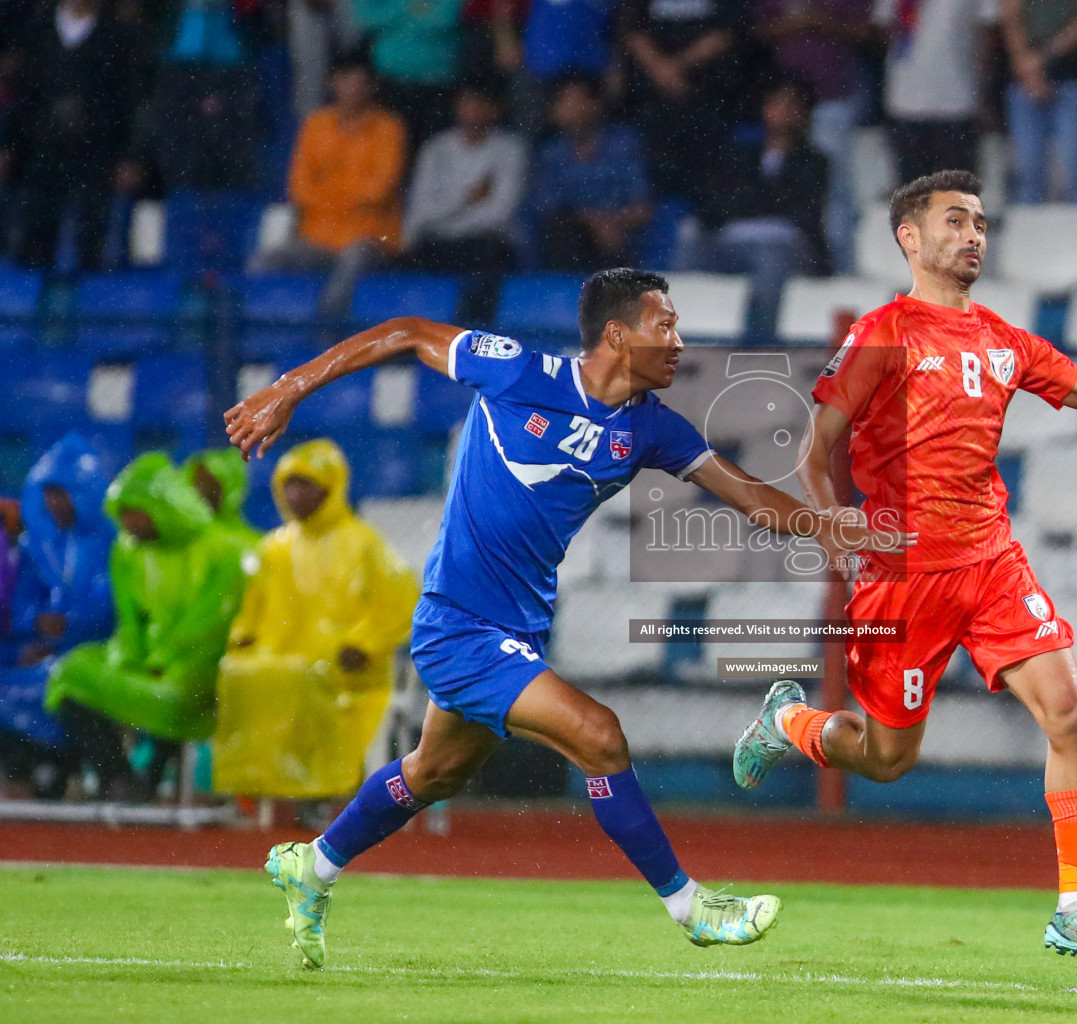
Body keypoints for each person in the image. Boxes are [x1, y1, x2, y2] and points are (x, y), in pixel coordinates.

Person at [224, 267, 910, 970]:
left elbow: (749, 494)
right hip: (458, 625)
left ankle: (314, 867)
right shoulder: (518, 371)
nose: (679, 342)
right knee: (599, 736)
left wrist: (838, 527)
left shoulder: (650, 429)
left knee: (432, 773)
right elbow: (404, 332)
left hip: (515, 630)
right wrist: (287, 389)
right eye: (664, 326)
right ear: (617, 335)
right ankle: (691, 907)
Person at [732, 169, 1077, 962]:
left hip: (991, 560)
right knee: (889, 759)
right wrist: (833, 521)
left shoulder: (1004, 340)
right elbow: (815, 447)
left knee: (1071, 713)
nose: (973, 235)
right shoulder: (884, 333)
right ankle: (788, 722)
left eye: (980, 223)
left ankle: (1074, 907)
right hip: (904, 573)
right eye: (956, 221)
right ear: (911, 237)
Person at [213, 439, 417, 805]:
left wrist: (364, 644)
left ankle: (317, 794)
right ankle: (250, 788)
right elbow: (251, 610)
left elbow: (401, 603)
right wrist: (243, 636)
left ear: (330, 487)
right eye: (288, 484)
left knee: (304, 679)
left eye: (304, 485)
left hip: (346, 670)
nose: (294, 494)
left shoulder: (364, 543)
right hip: (283, 661)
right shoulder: (273, 547)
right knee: (236, 673)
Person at [45, 453, 249, 800]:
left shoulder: (224, 550)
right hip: (150, 664)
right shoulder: (127, 550)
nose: (128, 522)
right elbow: (129, 623)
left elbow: (211, 624)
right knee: (72, 672)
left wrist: (164, 660)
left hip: (200, 668)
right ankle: (117, 778)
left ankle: (151, 778)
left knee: (171, 693)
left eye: (135, 512)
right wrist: (130, 659)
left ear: (163, 506)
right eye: (122, 513)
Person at [250, 52, 406, 318]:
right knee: (264, 261)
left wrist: (328, 193)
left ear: (372, 87)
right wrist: (348, 195)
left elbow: (379, 190)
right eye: (344, 80)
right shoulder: (316, 124)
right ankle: (263, 340)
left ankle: (326, 334)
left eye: (358, 82)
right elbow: (299, 188)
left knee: (353, 258)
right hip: (318, 236)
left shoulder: (389, 128)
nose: (350, 89)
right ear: (334, 82)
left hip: (368, 236)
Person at [0, 436, 114, 798]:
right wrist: (36, 628)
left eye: (61, 493)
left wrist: (69, 630)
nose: (53, 504)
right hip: (41, 652)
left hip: (94, 652)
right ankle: (36, 766)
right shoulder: (40, 546)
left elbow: (111, 611)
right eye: (48, 494)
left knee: (67, 681)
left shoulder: (116, 544)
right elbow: (19, 608)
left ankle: (65, 768)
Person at [673, 77, 830, 339]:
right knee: (688, 245)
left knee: (769, 260)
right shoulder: (740, 157)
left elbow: (798, 215)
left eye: (791, 105)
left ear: (804, 115)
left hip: (788, 247)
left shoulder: (814, 162)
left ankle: (758, 349)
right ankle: (679, 343)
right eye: (776, 103)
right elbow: (719, 203)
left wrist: (754, 208)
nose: (782, 111)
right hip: (736, 241)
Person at [1, 0, 139, 272]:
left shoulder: (117, 38)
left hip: (95, 150)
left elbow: (126, 103)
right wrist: (6, 144)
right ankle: (35, 304)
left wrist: (130, 155)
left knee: (92, 235)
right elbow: (21, 97)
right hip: (40, 149)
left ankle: (90, 304)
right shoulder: (37, 31)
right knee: (35, 235)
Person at [755, 0, 879, 271]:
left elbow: (870, 30)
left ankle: (838, 265)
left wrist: (822, 21)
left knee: (835, 188)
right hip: (786, 97)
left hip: (832, 97)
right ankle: (801, 262)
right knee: (786, 181)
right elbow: (756, 28)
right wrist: (797, 23)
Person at [403, 76, 524, 322]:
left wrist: (447, 212)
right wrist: (468, 199)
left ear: (494, 109)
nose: (472, 110)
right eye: (466, 102)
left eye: (480, 103)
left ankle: (469, 338)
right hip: (439, 242)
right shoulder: (435, 149)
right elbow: (421, 211)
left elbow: (499, 214)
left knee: (488, 258)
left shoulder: (510, 150)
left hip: (484, 243)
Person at [523, 74, 652, 272]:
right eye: (561, 101)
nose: (567, 108)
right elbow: (545, 206)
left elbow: (642, 206)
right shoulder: (550, 153)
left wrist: (612, 222)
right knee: (561, 232)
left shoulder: (624, 144)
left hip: (621, 233)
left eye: (574, 99)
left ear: (596, 104)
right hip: (571, 236)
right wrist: (593, 221)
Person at [618, 0, 742, 200]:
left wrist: (677, 67)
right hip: (654, 96)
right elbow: (632, 30)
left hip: (709, 93)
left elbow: (726, 32)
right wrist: (661, 69)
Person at [874, 0, 997, 184]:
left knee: (956, 194)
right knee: (914, 197)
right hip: (905, 102)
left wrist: (983, 91)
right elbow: (883, 25)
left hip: (957, 101)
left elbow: (987, 30)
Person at [1000, 0, 1077, 205]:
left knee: (1076, 167)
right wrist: (1028, 65)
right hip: (1026, 81)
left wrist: (1042, 58)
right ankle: (1028, 233)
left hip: (1074, 76)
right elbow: (1010, 16)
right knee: (1027, 169)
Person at [352, 0, 465, 147]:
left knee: (433, 149)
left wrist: (394, 17)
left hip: (436, 84)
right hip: (389, 83)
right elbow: (366, 19)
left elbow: (446, 19)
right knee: (390, 146)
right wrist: (410, 7)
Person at [184, 447, 259, 554]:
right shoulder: (184, 542)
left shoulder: (252, 544)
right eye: (198, 481)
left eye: (210, 481)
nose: (202, 490)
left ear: (229, 486)